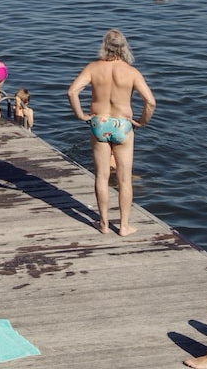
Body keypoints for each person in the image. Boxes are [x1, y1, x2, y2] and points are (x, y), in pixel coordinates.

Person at [67, 28, 156, 236]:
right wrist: (141, 122)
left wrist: (80, 115)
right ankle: (124, 226)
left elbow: (72, 91)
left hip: (99, 122)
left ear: (104, 46)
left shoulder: (93, 68)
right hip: (123, 124)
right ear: (124, 47)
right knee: (125, 179)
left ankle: (104, 224)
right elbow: (150, 102)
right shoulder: (132, 72)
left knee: (101, 177)